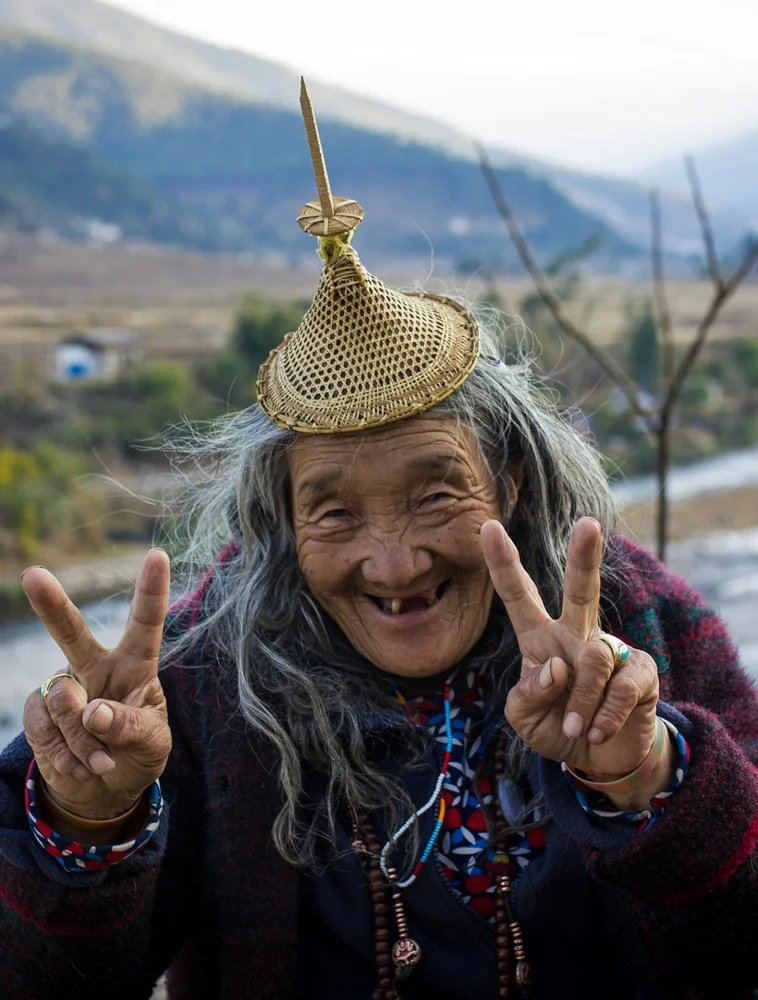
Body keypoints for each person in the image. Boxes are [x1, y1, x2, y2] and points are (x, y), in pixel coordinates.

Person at [1, 83, 757, 1000]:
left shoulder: (639, 623)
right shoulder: (199, 678)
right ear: (281, 523)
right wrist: (90, 819)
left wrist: (646, 772)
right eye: (334, 513)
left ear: (511, 481)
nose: (394, 563)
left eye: (436, 494)